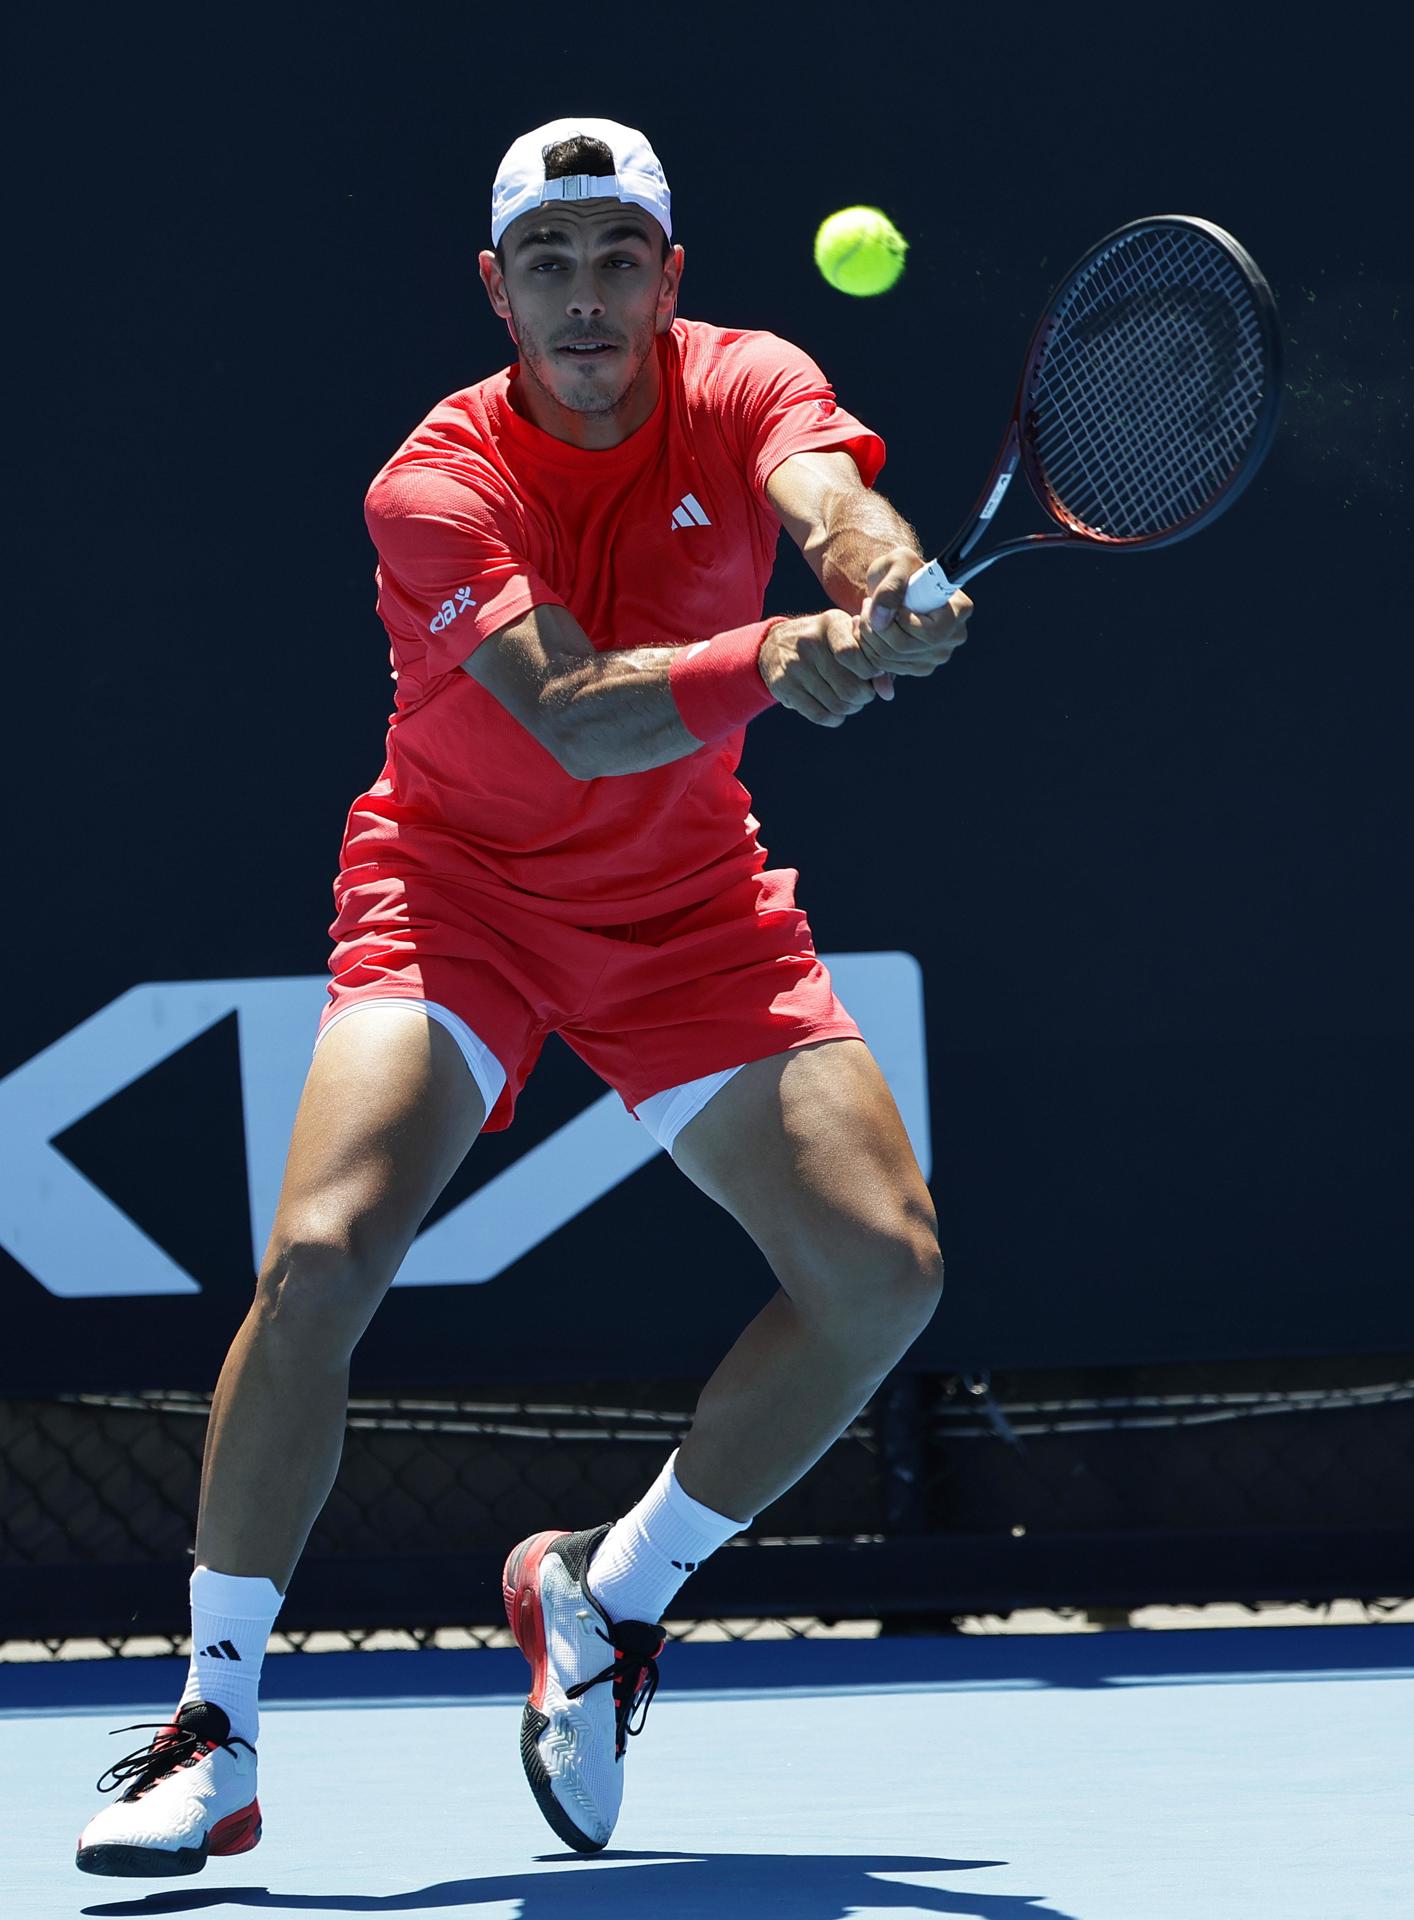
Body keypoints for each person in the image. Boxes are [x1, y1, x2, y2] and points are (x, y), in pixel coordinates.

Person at [76, 115, 971, 1875]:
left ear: (668, 281)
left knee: (883, 1273)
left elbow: (822, 492)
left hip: (685, 908)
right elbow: (567, 715)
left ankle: (608, 1593)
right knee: (321, 1255)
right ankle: (218, 1719)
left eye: (615, 259)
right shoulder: (435, 481)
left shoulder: (744, 378)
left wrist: (875, 573)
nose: (583, 295)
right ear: (496, 290)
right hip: (455, 895)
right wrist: (778, 662)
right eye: (546, 264)